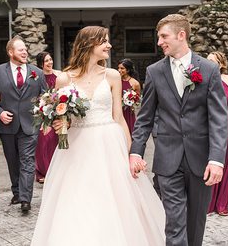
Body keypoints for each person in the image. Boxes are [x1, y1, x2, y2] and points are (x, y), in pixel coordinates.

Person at [31, 26, 165, 245]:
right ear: (89, 44)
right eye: (104, 41)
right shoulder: (64, 79)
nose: (109, 46)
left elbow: (119, 118)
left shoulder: (111, 75)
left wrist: (133, 154)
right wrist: (59, 122)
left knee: (115, 198)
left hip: (109, 144)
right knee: (78, 198)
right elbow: (62, 117)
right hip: (77, 147)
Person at [130, 14, 228, 246]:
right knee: (174, 222)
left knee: (196, 221)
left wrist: (217, 159)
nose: (159, 42)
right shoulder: (154, 71)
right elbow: (145, 117)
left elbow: (218, 118)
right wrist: (136, 152)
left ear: (181, 35)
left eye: (164, 36)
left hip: (201, 159)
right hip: (168, 158)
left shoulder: (209, 69)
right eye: (159, 37)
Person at [0, 36, 47, 213]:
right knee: (13, 161)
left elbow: (45, 98)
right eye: (20, 49)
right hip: (7, 126)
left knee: (27, 161)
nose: (24, 52)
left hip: (30, 124)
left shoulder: (38, 72)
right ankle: (17, 192)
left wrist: (42, 116)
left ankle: (25, 199)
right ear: (10, 52)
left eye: (25, 49)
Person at [206, 51, 228, 216]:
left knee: (226, 161)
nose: (209, 63)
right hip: (206, 124)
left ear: (221, 64)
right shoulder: (200, 78)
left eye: (213, 61)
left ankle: (221, 203)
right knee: (208, 161)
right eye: (207, 60)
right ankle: (207, 202)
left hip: (226, 124)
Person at [34, 51, 61, 183]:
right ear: (41, 64)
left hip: (58, 111)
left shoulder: (59, 74)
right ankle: (44, 171)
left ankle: (56, 171)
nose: (50, 62)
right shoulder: (37, 77)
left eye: (50, 59)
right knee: (44, 141)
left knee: (56, 140)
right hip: (43, 112)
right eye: (46, 61)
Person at [117, 58, 141, 134]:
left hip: (128, 111)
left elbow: (137, 99)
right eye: (118, 68)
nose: (119, 70)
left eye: (122, 68)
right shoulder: (116, 80)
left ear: (128, 70)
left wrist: (131, 99)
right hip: (117, 109)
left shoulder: (135, 83)